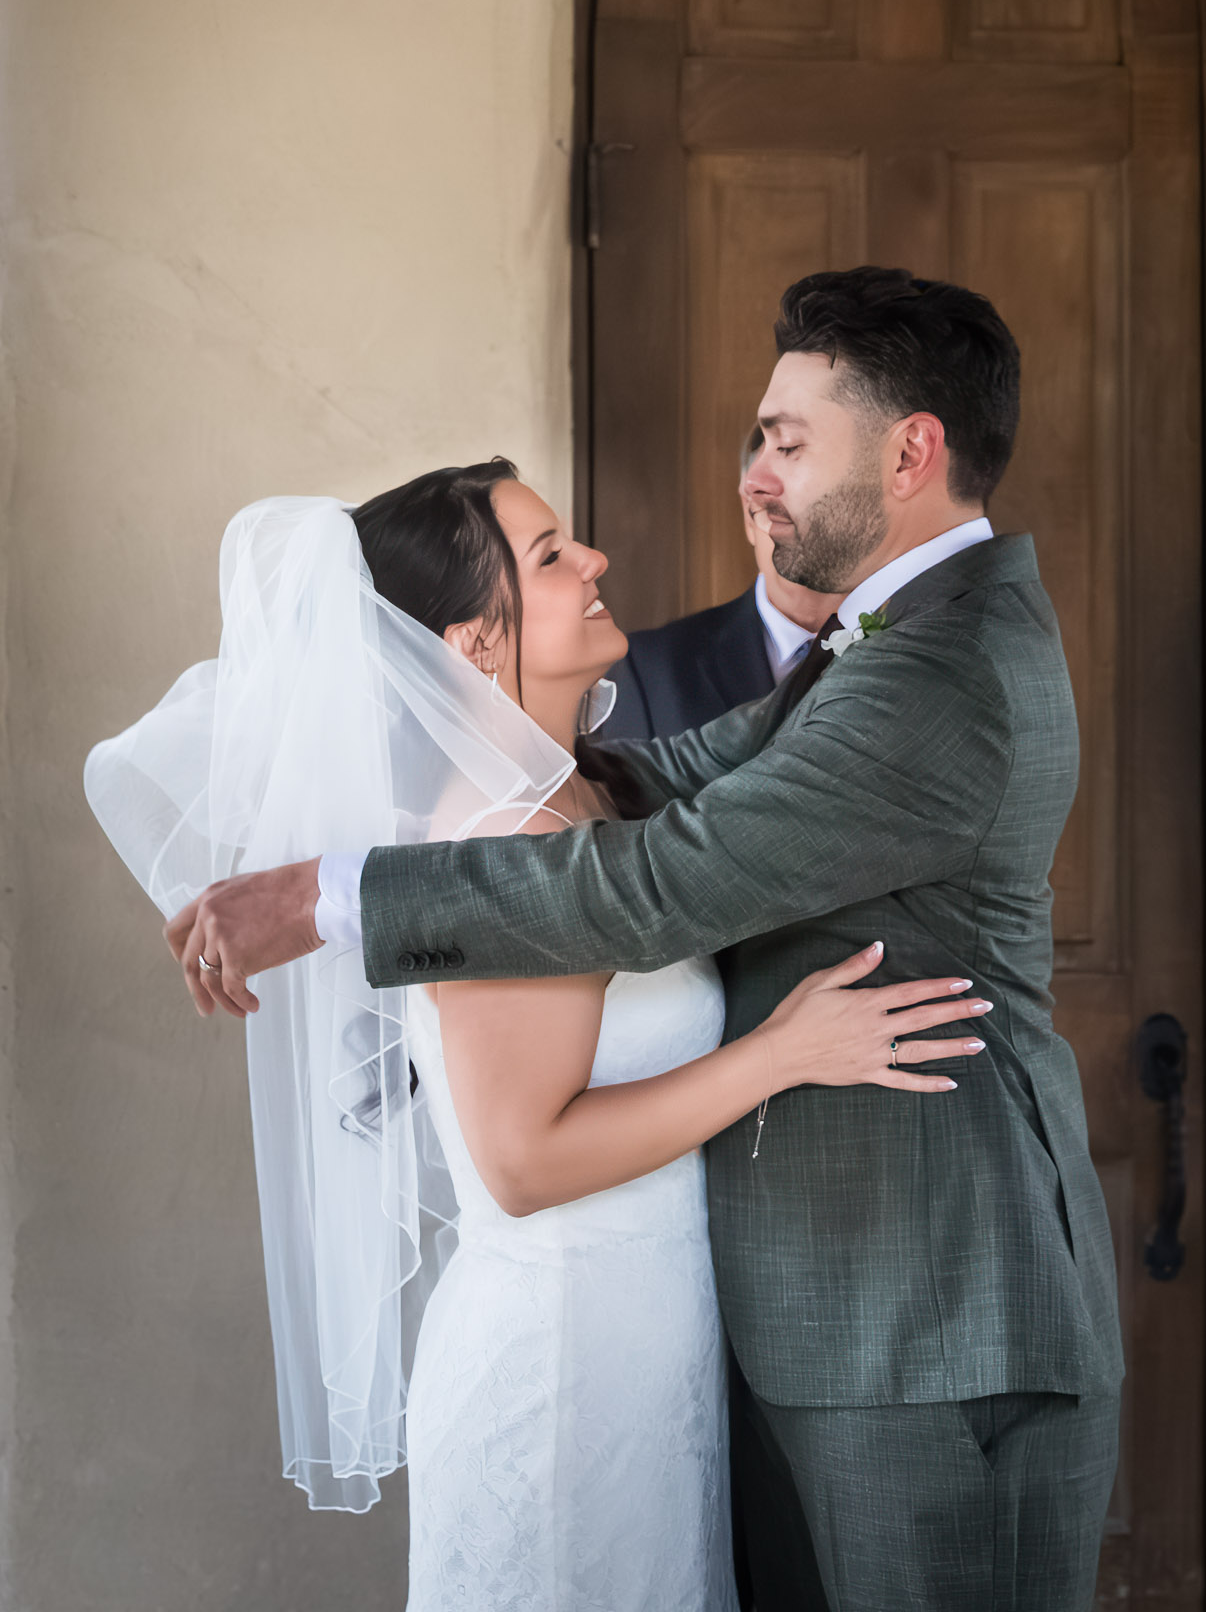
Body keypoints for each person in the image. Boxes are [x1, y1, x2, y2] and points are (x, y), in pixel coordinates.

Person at [166, 267, 1125, 1612]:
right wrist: (465, 824)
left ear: (908, 452)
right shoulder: (888, 645)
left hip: (933, 1315)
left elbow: (667, 876)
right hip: (745, 1335)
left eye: (789, 439)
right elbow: (678, 787)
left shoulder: (939, 672)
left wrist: (336, 896)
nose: (758, 473)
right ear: (474, 639)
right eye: (552, 552)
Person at [86, 463, 986, 1612]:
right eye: (550, 555)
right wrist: (779, 1052)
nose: (594, 561)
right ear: (468, 638)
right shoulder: (504, 832)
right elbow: (522, 1161)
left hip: (638, 1340)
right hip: (563, 1365)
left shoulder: (587, 795)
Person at [600, 428, 841, 741]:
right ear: (748, 516)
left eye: (815, 500)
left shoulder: (910, 643)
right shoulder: (649, 667)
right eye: (775, 505)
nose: (794, 526)